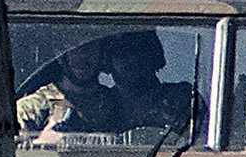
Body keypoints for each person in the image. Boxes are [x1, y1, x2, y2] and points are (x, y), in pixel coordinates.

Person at [18, 32, 195, 143]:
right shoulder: (33, 107)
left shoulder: (120, 102)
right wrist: (41, 144)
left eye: (91, 47)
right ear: (60, 55)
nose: (83, 57)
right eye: (76, 49)